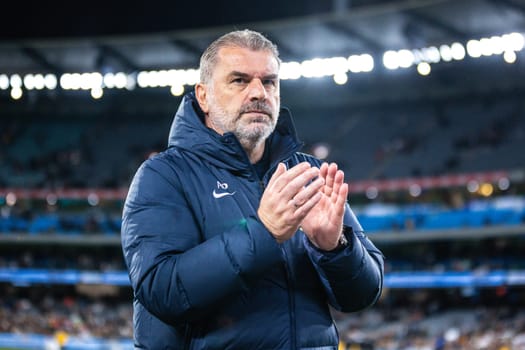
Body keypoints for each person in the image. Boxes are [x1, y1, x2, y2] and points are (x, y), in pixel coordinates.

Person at [121, 29, 384, 350]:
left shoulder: (309, 173)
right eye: (239, 80)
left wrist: (336, 247)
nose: (259, 92)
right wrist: (263, 233)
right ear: (203, 96)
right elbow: (161, 292)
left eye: (269, 81)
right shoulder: (164, 175)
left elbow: (363, 295)